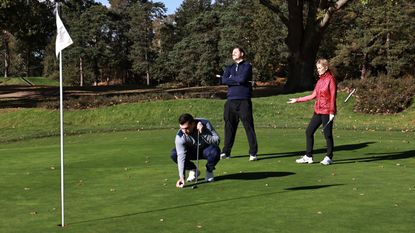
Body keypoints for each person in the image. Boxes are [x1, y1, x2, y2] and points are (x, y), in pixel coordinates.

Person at [287, 58, 337, 165]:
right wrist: (297, 100)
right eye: (317, 68)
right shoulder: (320, 81)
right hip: (318, 111)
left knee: (327, 134)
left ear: (326, 67)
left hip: (327, 111)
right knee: (309, 131)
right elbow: (313, 95)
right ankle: (308, 156)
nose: (318, 70)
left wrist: (332, 112)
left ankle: (329, 156)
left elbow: (333, 97)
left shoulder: (331, 79)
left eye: (320, 68)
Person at [220, 46, 258, 161]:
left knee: (248, 126)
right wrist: (234, 79)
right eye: (232, 53)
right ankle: (226, 152)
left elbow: (242, 79)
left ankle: (253, 153)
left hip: (243, 100)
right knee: (229, 127)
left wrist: (232, 79)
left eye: (236, 52)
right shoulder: (229, 67)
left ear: (242, 53)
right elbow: (223, 80)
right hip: (230, 100)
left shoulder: (247, 66)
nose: (233, 54)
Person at [171, 113, 221, 188]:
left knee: (215, 151)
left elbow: (217, 141)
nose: (184, 131)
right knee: (174, 154)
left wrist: (203, 132)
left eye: (186, 128)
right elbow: (181, 156)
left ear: (193, 124)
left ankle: (209, 170)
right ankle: (193, 170)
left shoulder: (205, 123)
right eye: (182, 128)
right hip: (191, 152)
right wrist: (182, 177)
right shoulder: (180, 136)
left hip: (207, 150)